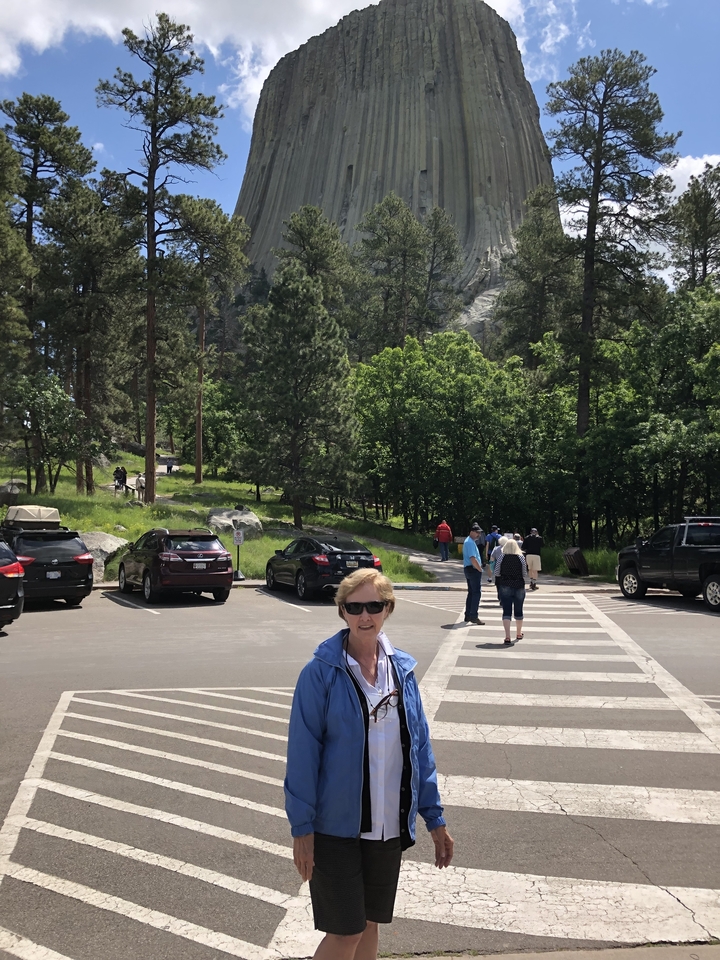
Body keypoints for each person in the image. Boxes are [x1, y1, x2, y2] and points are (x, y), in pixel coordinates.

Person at [285, 568, 454, 960]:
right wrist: (302, 829)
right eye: (355, 607)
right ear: (342, 611)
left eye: (374, 606)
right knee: (346, 932)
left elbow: (419, 749)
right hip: (335, 829)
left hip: (387, 826)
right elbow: (303, 755)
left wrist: (434, 818)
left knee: (371, 923)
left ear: (388, 609)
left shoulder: (402, 672)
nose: (365, 616)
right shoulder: (320, 674)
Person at [494, 538, 528, 644]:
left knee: (506, 611)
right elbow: (524, 573)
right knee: (519, 610)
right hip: (519, 585)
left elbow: (497, 572)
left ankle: (507, 636)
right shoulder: (521, 557)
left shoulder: (502, 557)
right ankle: (518, 633)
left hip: (505, 585)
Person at [462, 523, 485, 625]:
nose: (478, 535)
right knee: (476, 593)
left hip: (469, 569)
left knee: (471, 592)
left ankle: (468, 614)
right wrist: (480, 569)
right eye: (477, 533)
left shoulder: (468, 541)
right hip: (473, 569)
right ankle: (473, 616)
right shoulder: (470, 543)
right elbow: (473, 558)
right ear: (472, 532)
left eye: (479, 533)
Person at [490, 536, 508, 605]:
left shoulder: (496, 549)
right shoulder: (508, 549)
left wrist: (492, 566)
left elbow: (492, 558)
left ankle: (500, 597)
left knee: (498, 584)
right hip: (506, 568)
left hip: (498, 568)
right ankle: (504, 598)